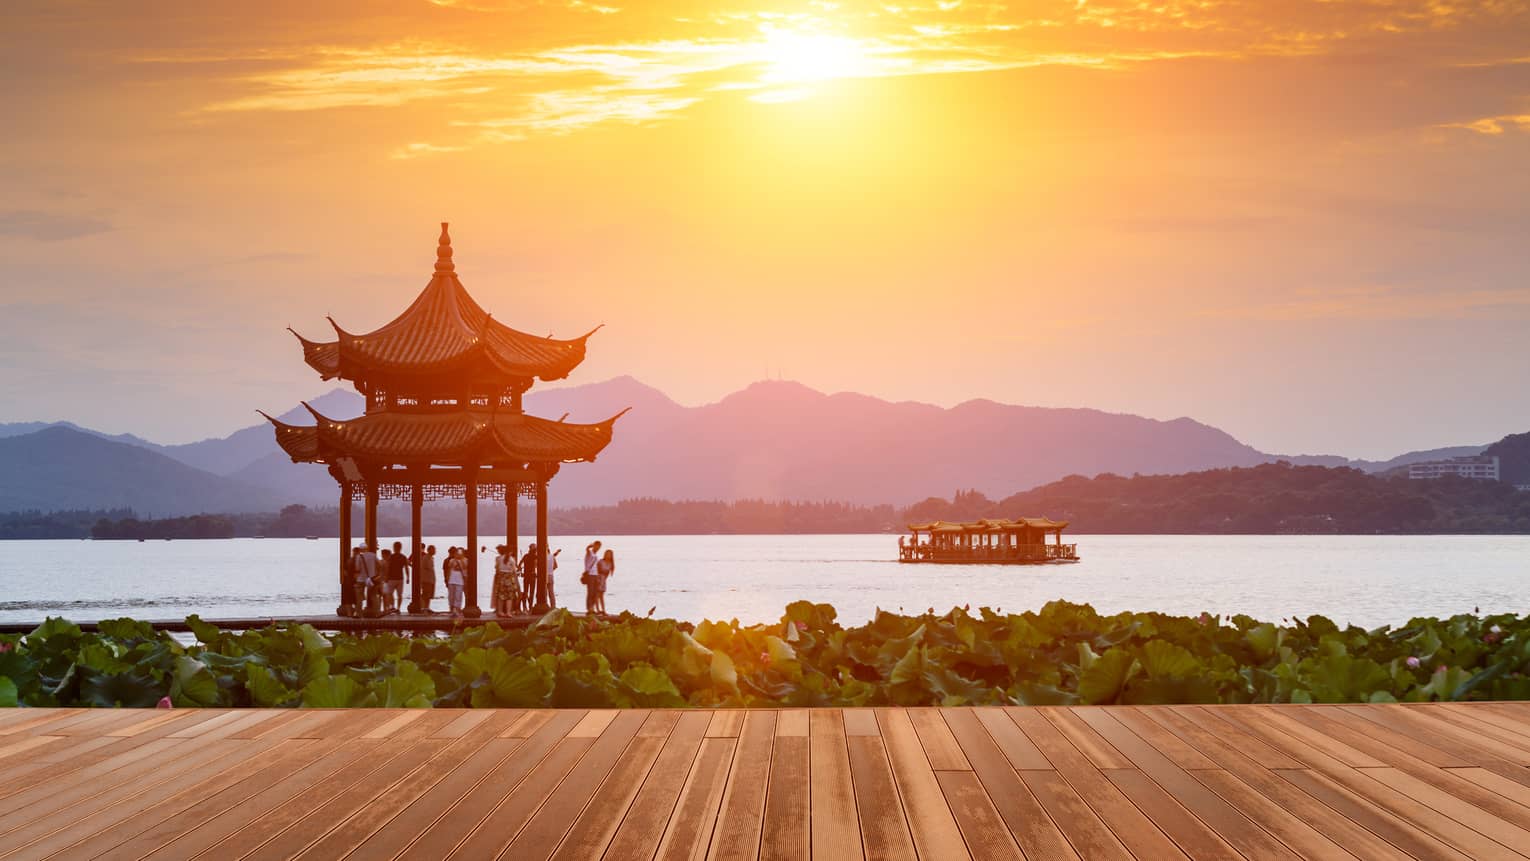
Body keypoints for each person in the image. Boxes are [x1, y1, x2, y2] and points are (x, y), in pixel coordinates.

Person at [493, 544, 519, 618]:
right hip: (509, 578)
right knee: (509, 597)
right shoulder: (511, 559)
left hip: (501, 578)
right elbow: (514, 570)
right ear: (510, 552)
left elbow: (496, 568)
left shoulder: (499, 558)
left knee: (501, 596)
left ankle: (500, 611)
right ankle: (508, 612)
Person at [388, 540, 410, 613]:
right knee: (399, 594)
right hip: (400, 578)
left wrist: (385, 577)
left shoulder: (391, 557)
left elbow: (387, 567)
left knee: (390, 593)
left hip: (391, 578)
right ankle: (398, 608)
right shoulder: (403, 557)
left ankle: (393, 606)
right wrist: (408, 577)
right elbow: (406, 567)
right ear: (400, 548)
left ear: (394, 548)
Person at [445, 547, 467, 617]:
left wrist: (460, 560)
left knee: (458, 595)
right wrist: (447, 579)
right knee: (451, 596)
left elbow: (464, 567)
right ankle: (452, 609)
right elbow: (449, 569)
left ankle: (457, 609)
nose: (459, 554)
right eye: (457, 553)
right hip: (452, 580)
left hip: (460, 581)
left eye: (460, 553)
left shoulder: (465, 560)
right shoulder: (451, 560)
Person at [595, 548, 615, 615]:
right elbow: (596, 570)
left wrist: (603, 580)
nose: (608, 555)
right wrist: (598, 580)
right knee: (597, 595)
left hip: (603, 580)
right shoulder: (601, 561)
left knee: (602, 596)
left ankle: (603, 610)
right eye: (607, 554)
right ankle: (597, 610)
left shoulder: (610, 563)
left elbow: (607, 573)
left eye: (609, 554)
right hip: (598, 578)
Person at [519, 543, 538, 612]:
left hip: (526, 576)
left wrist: (521, 571)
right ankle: (530, 607)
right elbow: (536, 565)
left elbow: (519, 565)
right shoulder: (535, 556)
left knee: (525, 591)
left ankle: (524, 607)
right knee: (531, 592)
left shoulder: (525, 556)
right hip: (532, 576)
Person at [419, 544, 437, 612]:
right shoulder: (425, 558)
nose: (435, 551)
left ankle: (427, 608)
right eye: (434, 550)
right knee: (425, 595)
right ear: (429, 550)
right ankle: (424, 608)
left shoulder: (431, 558)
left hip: (430, 579)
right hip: (426, 579)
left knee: (429, 595)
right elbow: (426, 568)